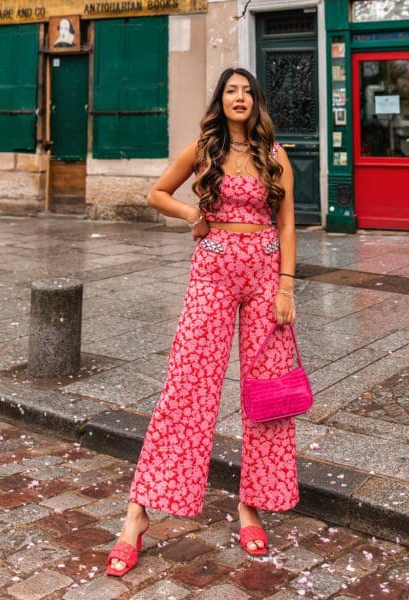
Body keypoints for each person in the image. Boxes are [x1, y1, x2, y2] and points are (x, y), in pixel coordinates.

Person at [106, 67, 298, 577]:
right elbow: (157, 193)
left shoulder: (275, 155)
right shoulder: (203, 149)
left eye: (247, 92)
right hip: (212, 270)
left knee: (266, 390)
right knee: (187, 386)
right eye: (230, 91)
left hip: (263, 272)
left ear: (257, 102)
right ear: (221, 100)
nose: (239, 98)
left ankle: (251, 504)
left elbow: (287, 222)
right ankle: (137, 513)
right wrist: (194, 217)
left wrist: (285, 286)